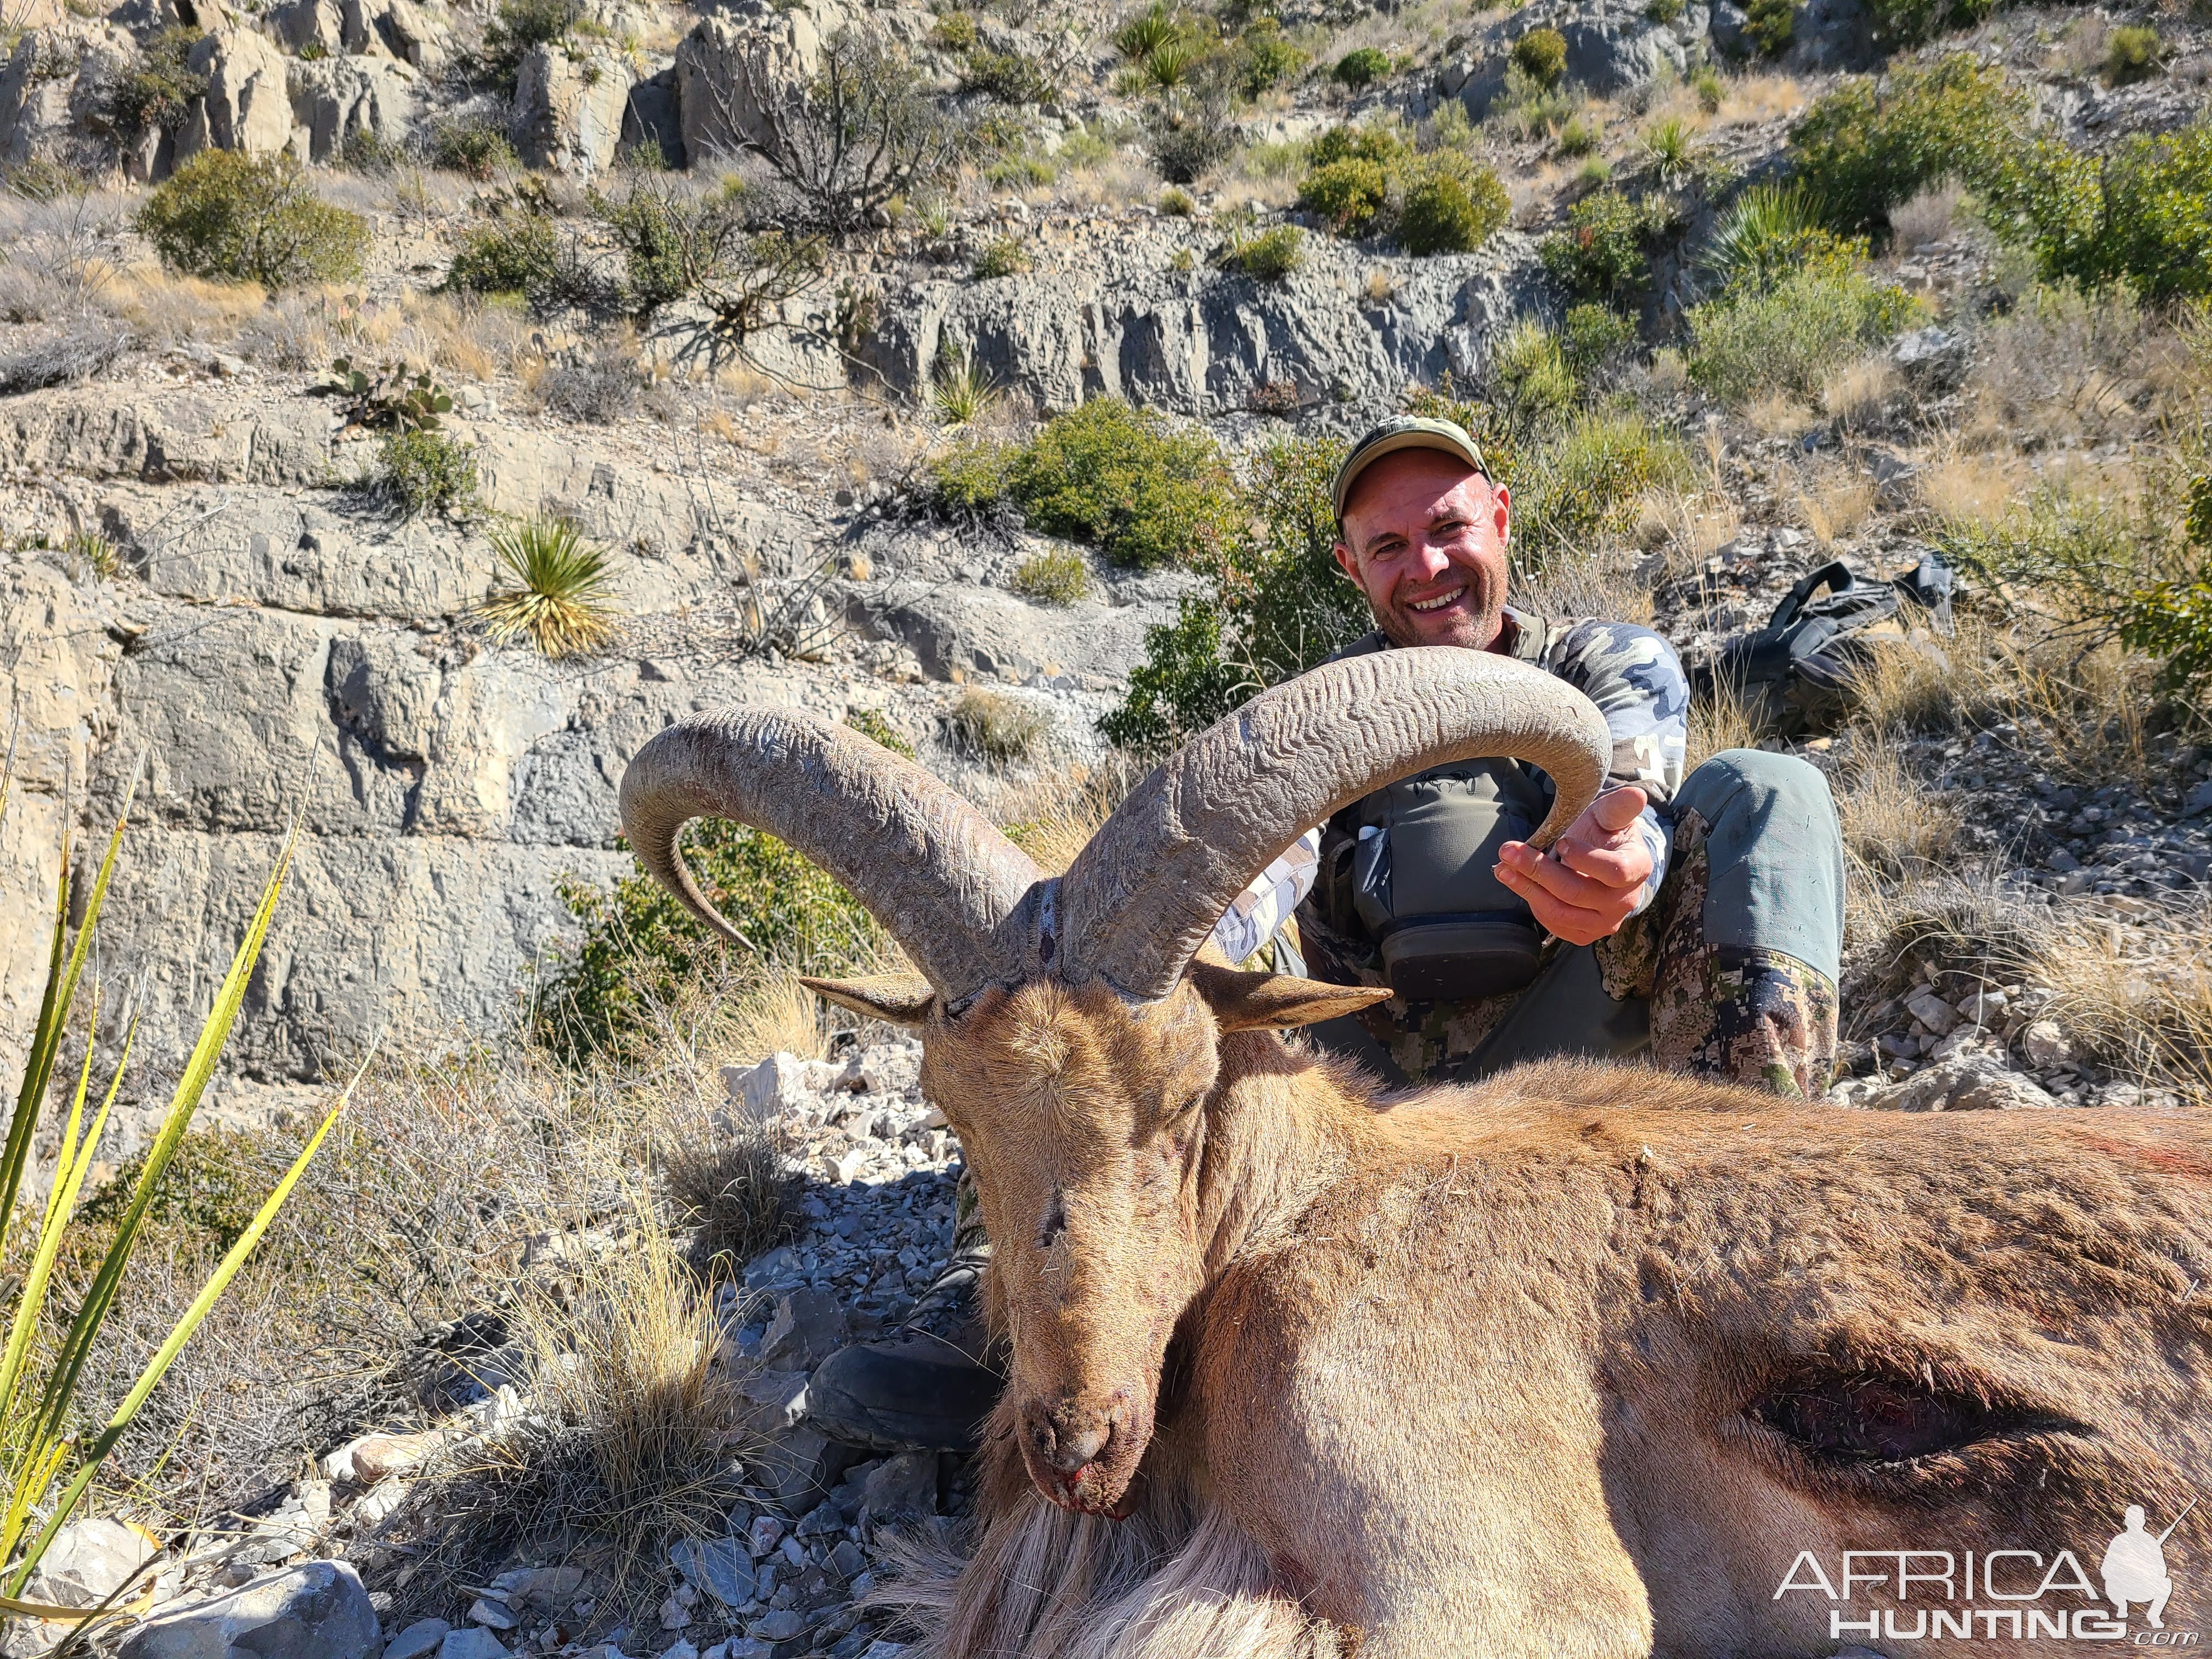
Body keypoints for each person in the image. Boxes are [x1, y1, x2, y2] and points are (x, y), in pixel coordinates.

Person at [805, 414, 1846, 1454]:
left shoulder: (1604, 661)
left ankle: (1760, 1243)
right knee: (1087, 985)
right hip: (1363, 1108)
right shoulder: (1317, 725)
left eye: (1447, 527)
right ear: (1350, 566)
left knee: (1767, 789)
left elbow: (1635, 793)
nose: (1427, 566)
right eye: (1388, 547)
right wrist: (1145, 964)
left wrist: (1628, 865)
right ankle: (1020, 1314)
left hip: (1583, 1051)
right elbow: (1255, 878)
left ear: (1501, 518)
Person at [2102, 1505, 2175, 1628]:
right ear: (2126, 1522)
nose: (2135, 1523)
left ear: (2143, 1522)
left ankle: (2154, 1615)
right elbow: (2106, 1570)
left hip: (2146, 1589)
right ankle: (2122, 1606)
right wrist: (2124, 1571)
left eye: (2137, 1520)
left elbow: (2162, 1571)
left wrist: (2146, 1570)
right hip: (2123, 1588)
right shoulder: (2119, 1541)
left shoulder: (2151, 1541)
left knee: (2166, 1583)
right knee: (2110, 1583)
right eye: (2132, 1520)